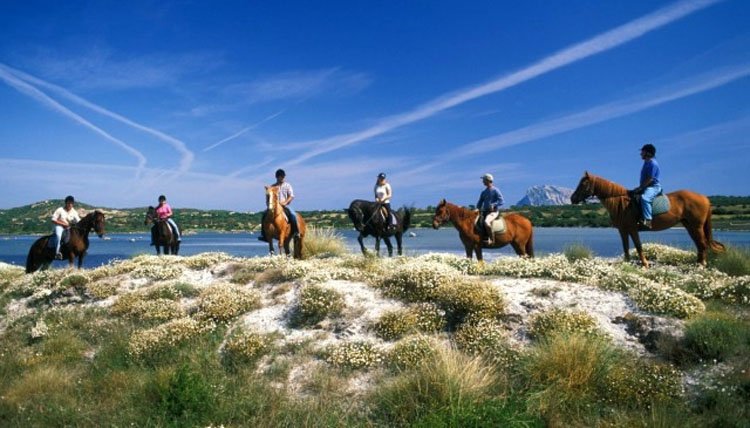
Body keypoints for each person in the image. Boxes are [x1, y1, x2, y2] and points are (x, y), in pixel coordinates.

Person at [258, 169, 299, 241]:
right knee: (264, 215)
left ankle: (296, 232)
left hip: (284, 205)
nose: (281, 178)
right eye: (279, 177)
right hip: (274, 207)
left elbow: (291, 196)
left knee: (293, 214)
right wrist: (268, 204)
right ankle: (264, 235)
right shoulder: (272, 186)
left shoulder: (287, 185)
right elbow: (268, 197)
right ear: (276, 177)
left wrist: (285, 202)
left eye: (282, 177)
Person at [631, 144, 661, 229]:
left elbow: (650, 179)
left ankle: (648, 221)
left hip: (653, 187)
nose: (641, 154)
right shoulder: (646, 162)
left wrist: (640, 188)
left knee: (645, 198)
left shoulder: (653, 163)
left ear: (648, 153)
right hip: (645, 186)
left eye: (642, 152)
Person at [476, 173, 504, 245]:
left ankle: (492, 239)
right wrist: (477, 208)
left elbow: (502, 201)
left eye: (483, 180)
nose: (482, 182)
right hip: (484, 212)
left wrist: (494, 205)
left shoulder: (495, 190)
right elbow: (480, 202)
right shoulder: (483, 192)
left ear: (488, 180)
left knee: (486, 222)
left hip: (493, 212)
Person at [51, 195, 81, 259]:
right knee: (58, 236)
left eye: (71, 203)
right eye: (69, 203)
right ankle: (57, 253)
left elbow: (79, 221)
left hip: (68, 228)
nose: (70, 205)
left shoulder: (74, 211)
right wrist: (63, 224)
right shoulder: (60, 209)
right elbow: (53, 220)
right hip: (59, 226)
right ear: (66, 203)